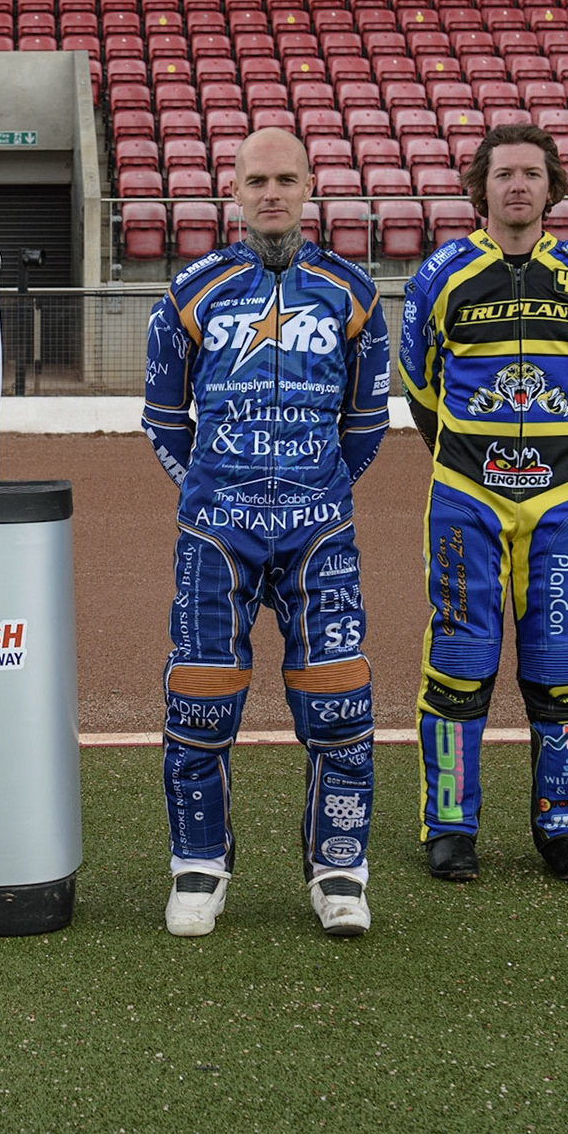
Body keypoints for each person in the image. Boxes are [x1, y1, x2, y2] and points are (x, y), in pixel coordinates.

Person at [141, 127, 389, 939]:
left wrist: (317, 495)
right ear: (235, 192)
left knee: (341, 701)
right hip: (216, 535)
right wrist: (212, 494)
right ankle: (200, 865)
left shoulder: (352, 292)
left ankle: (339, 867)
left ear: (311, 183)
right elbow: (161, 418)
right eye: (257, 181)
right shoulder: (191, 291)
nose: (272, 193)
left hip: (321, 535)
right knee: (201, 699)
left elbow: (367, 424)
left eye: (287, 178)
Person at [398, 125, 568, 884]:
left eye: (532, 174)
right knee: (459, 659)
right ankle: (450, 827)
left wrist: (540, 453)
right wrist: (477, 455)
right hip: (465, 494)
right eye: (504, 175)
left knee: (565, 662)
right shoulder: (442, 273)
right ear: (481, 188)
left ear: (552, 187)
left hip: (564, 498)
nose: (518, 186)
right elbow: (420, 384)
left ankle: (565, 827)